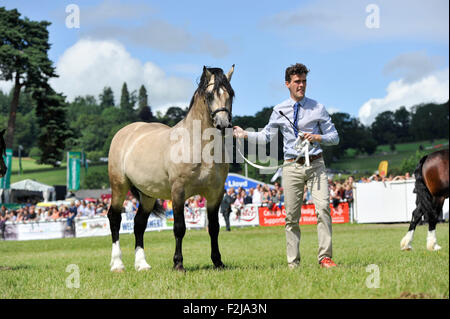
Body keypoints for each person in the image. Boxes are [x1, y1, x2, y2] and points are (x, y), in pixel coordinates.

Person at [233, 63, 339, 269]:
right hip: (291, 167)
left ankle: (325, 257)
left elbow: (334, 137)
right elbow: (265, 136)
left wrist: (318, 137)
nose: (301, 85)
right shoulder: (279, 110)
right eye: (297, 82)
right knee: (291, 217)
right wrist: (244, 134)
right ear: (287, 84)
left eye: (304, 81)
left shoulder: (318, 108)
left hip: (316, 164)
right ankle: (293, 263)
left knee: (323, 209)